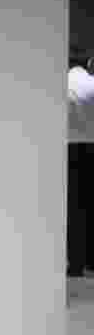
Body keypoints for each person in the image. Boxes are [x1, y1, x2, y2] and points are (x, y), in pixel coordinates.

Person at [68, 49, 94, 278]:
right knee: (90, 203)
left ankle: (74, 263)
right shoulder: (92, 83)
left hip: (67, 149)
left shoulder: (59, 85)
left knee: (72, 207)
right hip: (92, 147)